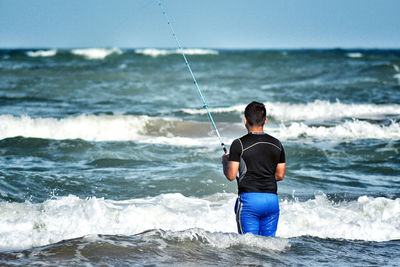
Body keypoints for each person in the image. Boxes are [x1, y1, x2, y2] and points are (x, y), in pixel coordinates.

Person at [221, 101, 286, 237]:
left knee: (248, 248)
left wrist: (225, 162)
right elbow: (280, 175)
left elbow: (231, 175)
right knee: (269, 247)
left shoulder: (238, 144)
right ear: (265, 120)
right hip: (272, 201)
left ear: (245, 120)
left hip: (250, 201)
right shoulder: (277, 144)